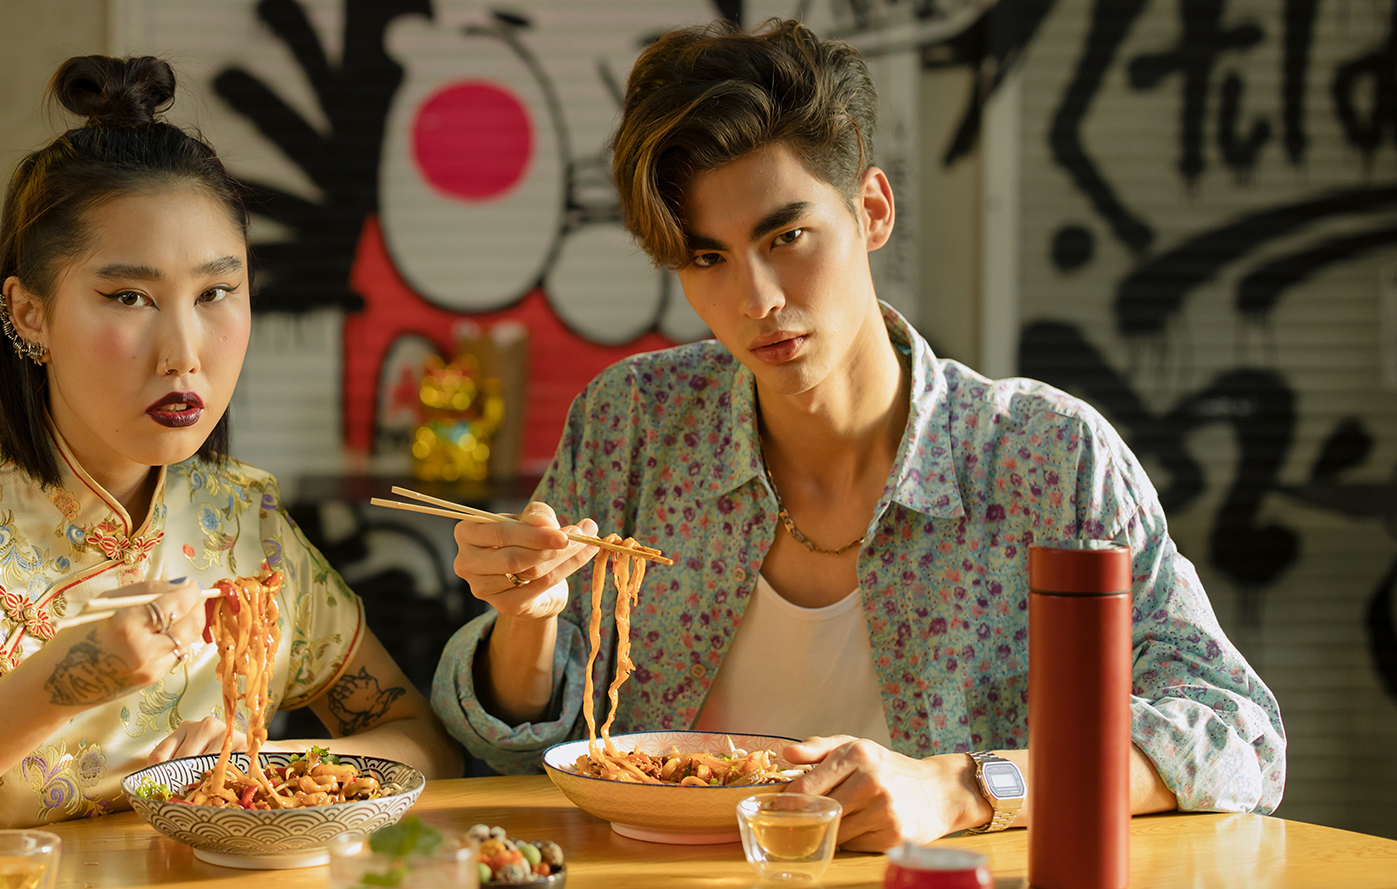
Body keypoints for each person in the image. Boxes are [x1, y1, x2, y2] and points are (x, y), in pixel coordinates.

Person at [431, 19, 1284, 851]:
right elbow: (513, 746)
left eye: (786, 235)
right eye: (707, 259)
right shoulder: (635, 423)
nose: (755, 297)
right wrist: (527, 619)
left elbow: (1235, 734)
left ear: (871, 209)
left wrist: (962, 788)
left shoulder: (1045, 457)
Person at [0, 56, 461, 889]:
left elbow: (422, 744)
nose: (184, 353)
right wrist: (54, 687)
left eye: (215, 292)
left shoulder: (246, 521)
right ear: (29, 313)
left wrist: (262, 761)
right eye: (128, 297)